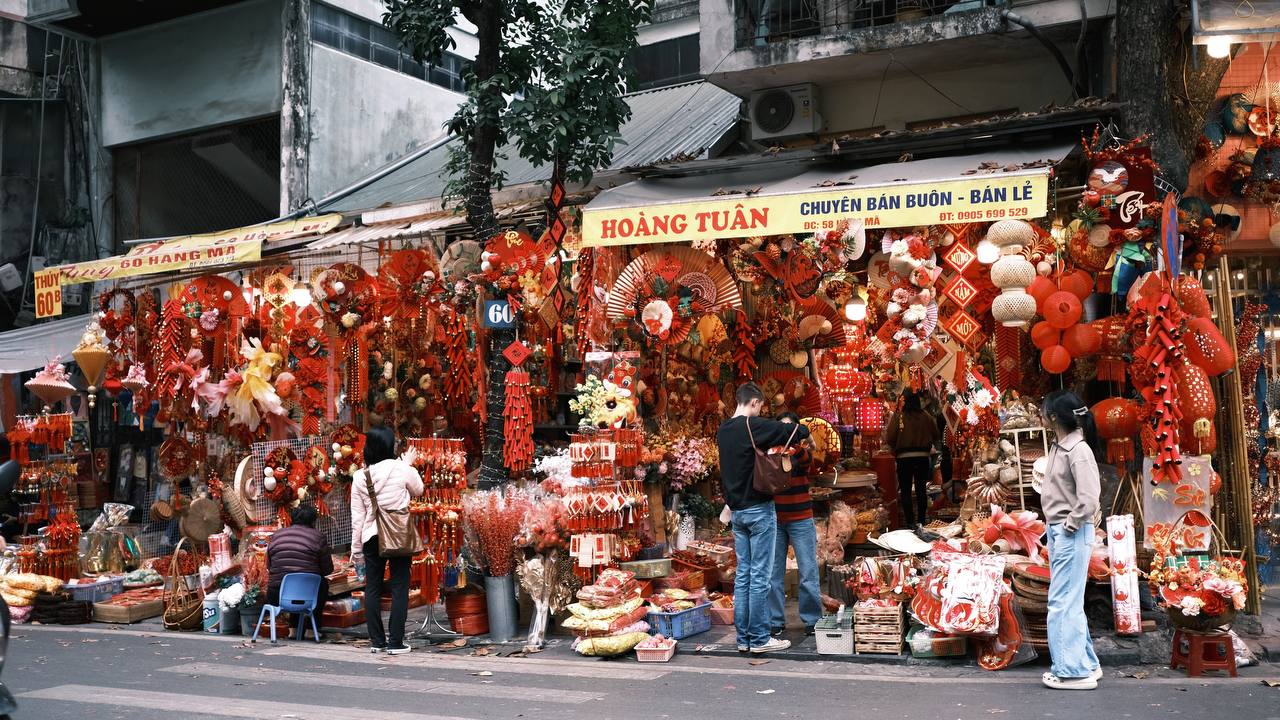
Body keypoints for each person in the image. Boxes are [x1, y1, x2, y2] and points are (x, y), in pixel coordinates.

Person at [716, 382, 810, 655]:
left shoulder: (723, 431)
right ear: (754, 403)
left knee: (743, 576)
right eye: (760, 407)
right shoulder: (751, 425)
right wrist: (803, 430)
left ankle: (743, 638)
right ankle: (759, 638)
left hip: (738, 513)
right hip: (759, 510)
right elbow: (793, 430)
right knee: (759, 576)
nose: (760, 411)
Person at [1038, 389, 1103, 691]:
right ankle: (1086, 663)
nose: (1040, 415)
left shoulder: (1078, 451)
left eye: (1043, 411)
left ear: (1053, 417)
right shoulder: (1061, 447)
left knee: (1062, 603)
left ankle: (1071, 671)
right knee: (1069, 601)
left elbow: (1089, 498)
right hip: (1062, 531)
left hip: (1070, 533)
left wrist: (1070, 525)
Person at [350, 427, 423, 655]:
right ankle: (396, 642)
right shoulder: (402, 469)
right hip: (399, 534)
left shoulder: (361, 477)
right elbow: (419, 490)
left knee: (372, 587)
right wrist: (409, 464)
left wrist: (356, 549)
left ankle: (377, 642)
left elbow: (358, 517)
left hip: (371, 536)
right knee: (400, 587)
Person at [768, 412, 821, 636]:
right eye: (782, 428)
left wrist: (797, 444)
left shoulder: (801, 454)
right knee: (773, 573)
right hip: (776, 519)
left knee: (808, 570)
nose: (785, 433)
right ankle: (775, 621)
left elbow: (806, 461)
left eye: (790, 428)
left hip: (801, 518)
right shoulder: (769, 453)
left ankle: (812, 620)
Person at [265, 502, 333, 629]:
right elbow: (327, 569)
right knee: (322, 584)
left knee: (292, 583)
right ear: (313, 521)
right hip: (306, 593)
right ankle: (312, 630)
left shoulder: (276, 536)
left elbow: (269, 566)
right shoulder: (319, 537)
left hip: (276, 595)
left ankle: (294, 629)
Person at [886, 391, 940, 529]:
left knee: (905, 491)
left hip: (904, 459)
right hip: (922, 458)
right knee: (921, 489)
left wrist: (896, 448)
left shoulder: (899, 417)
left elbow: (890, 438)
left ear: (906, 402)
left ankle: (910, 522)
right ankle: (921, 520)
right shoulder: (926, 417)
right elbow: (936, 434)